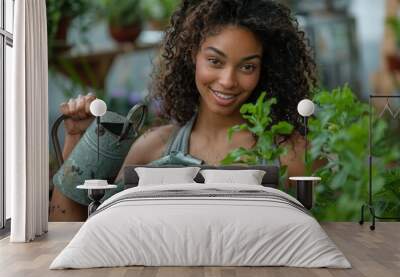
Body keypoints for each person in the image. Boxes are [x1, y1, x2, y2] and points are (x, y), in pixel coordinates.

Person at [49, 0, 316, 221]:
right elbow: (70, 226)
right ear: (192, 57)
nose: (227, 81)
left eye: (247, 66)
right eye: (214, 61)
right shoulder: (152, 148)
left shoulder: (290, 153)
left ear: (263, 69)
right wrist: (76, 139)